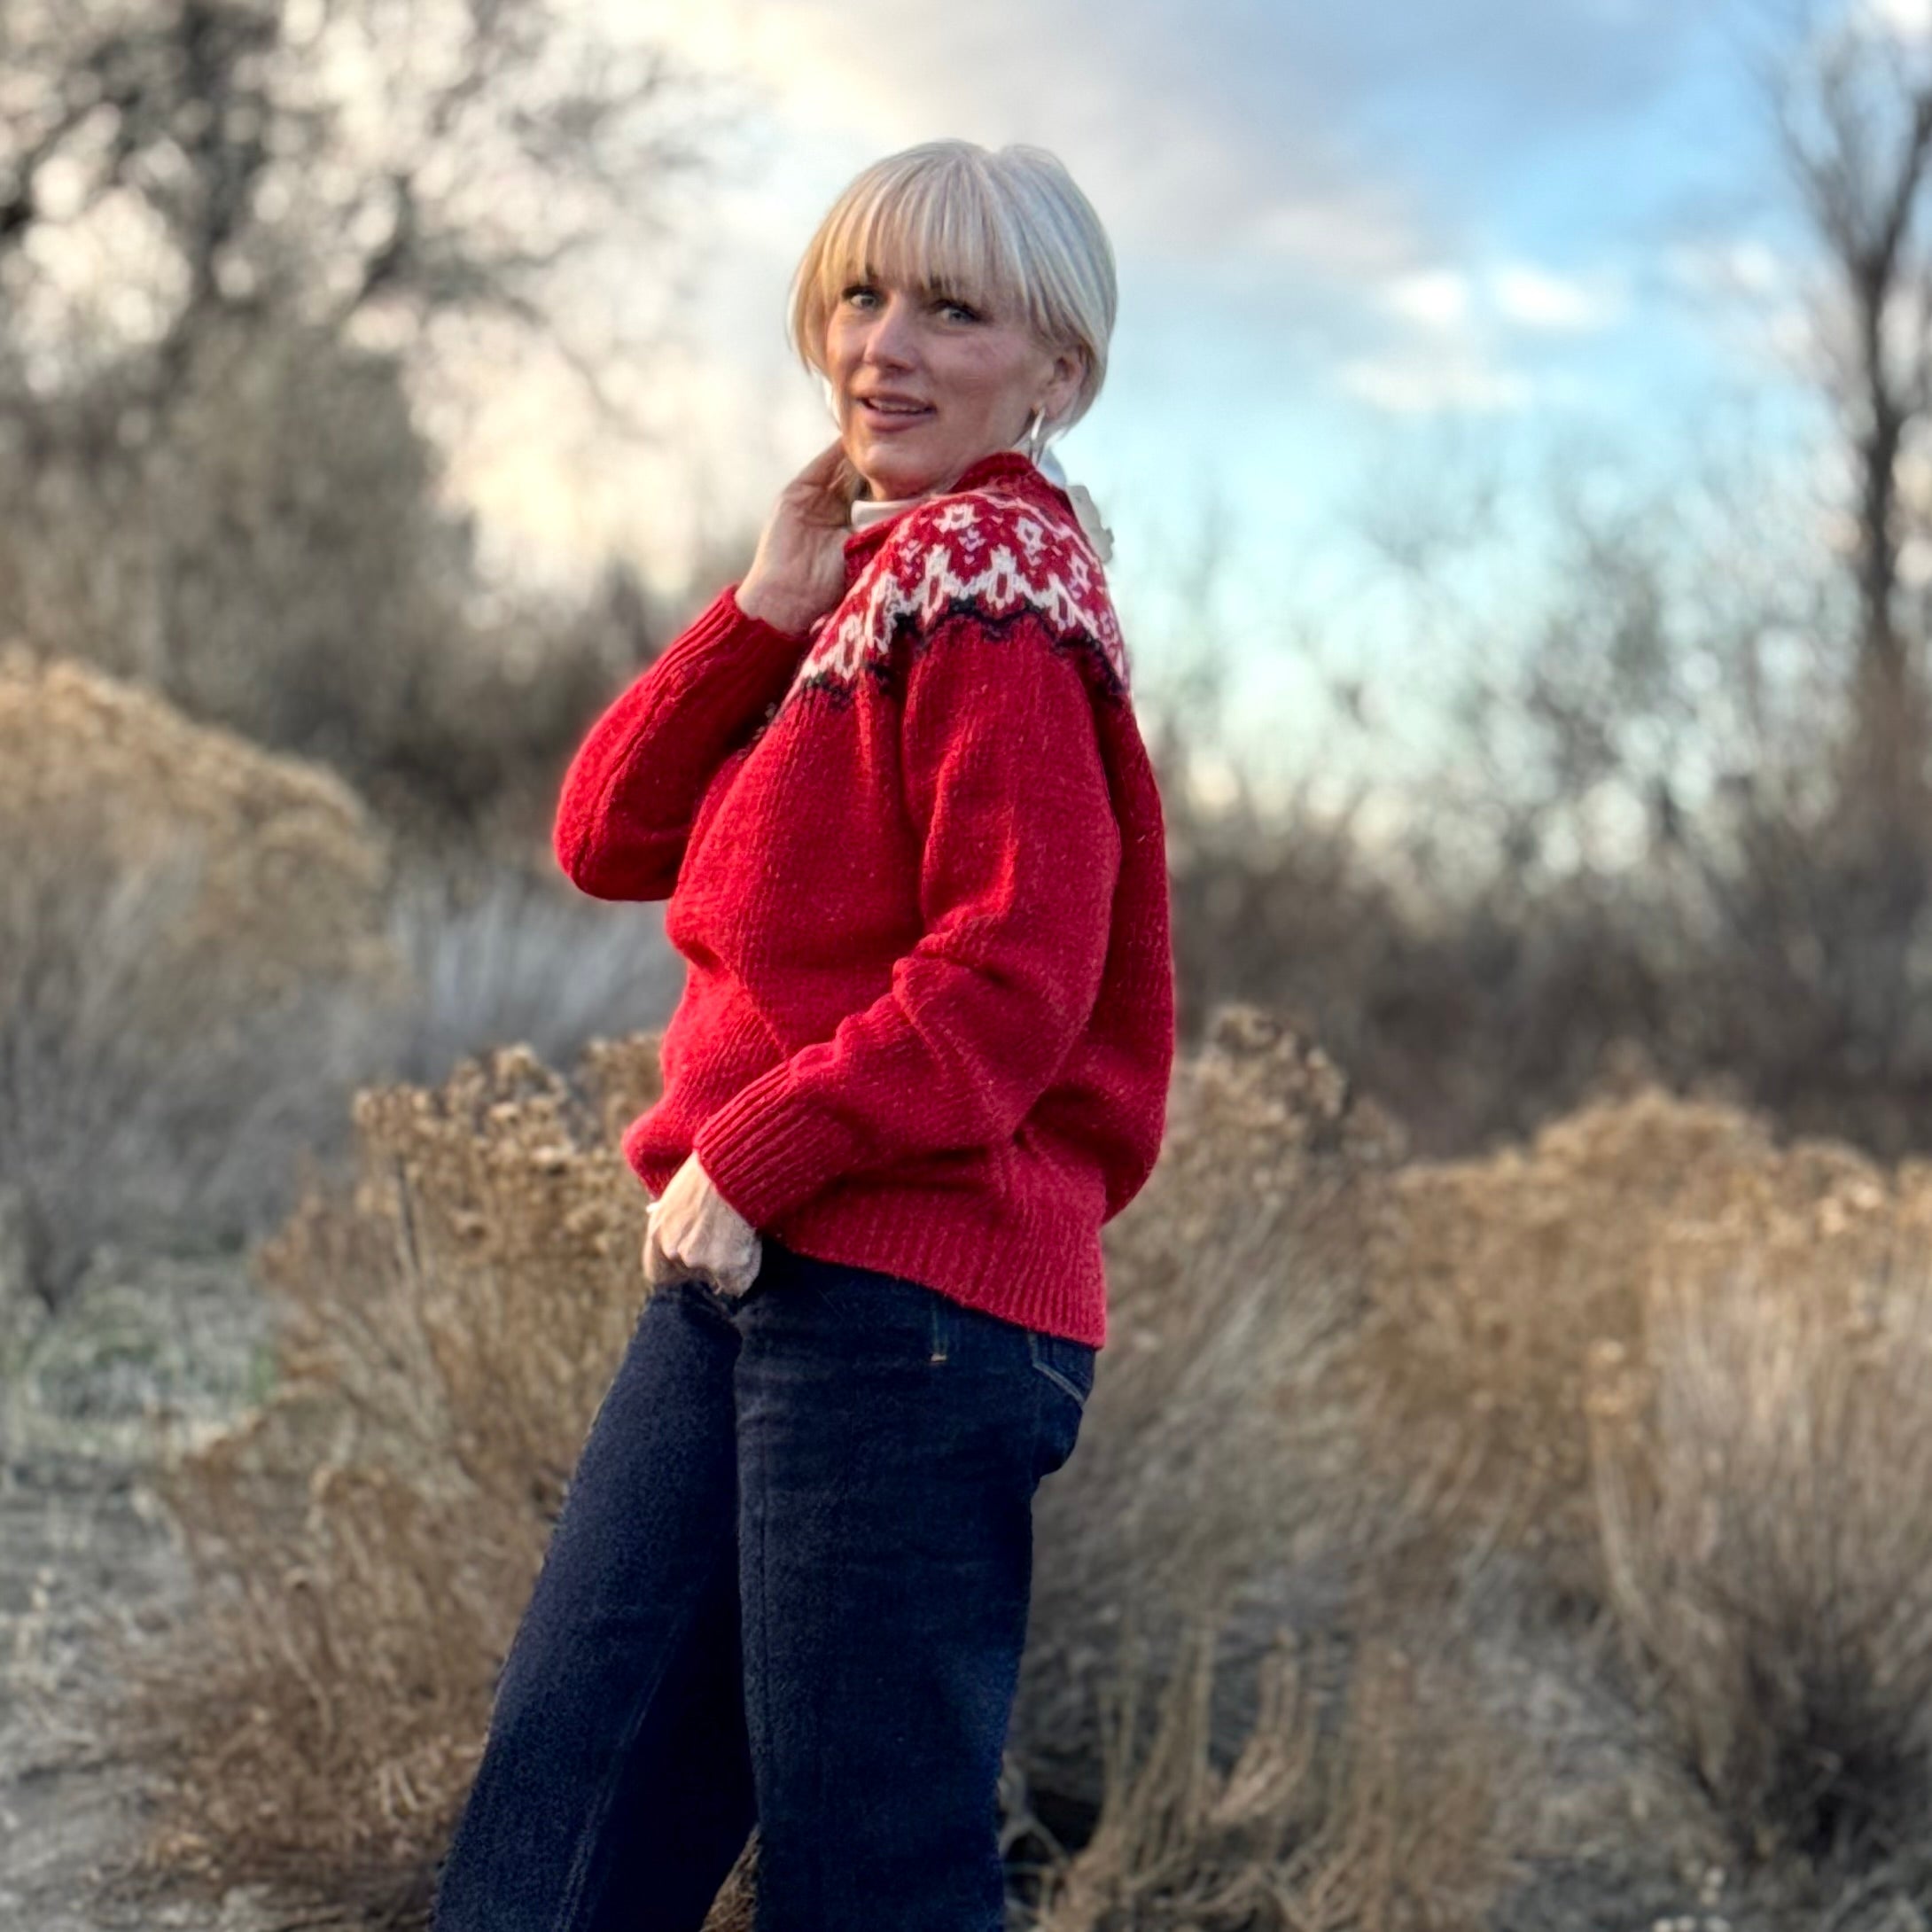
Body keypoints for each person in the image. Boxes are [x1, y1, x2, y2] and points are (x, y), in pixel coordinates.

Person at [429, 137, 1175, 1932]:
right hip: (757, 1270)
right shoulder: (873, 591)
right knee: (563, 1815)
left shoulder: (999, 588)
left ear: (1052, 372)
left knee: (869, 1876)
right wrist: (765, 604)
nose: (883, 344)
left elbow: (1011, 978)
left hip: (910, 1302)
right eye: (859, 294)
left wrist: (749, 1153)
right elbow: (607, 834)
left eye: (951, 307)